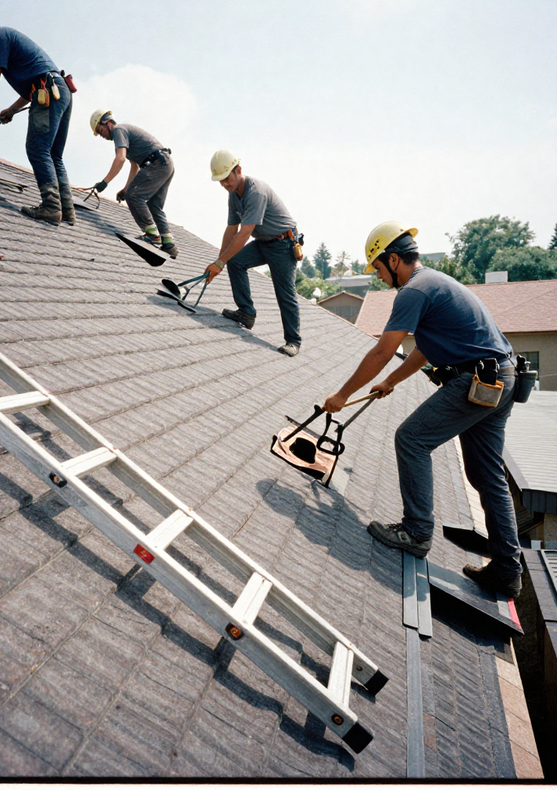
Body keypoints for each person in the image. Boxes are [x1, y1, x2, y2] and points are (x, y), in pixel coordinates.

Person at [323, 221, 522, 598]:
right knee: (486, 474)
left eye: (379, 269)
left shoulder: (413, 291)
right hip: (501, 379)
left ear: (394, 259)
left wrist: (341, 394)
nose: (380, 278)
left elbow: (382, 350)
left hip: (477, 381)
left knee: (411, 439)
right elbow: (427, 349)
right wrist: (391, 382)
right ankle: (507, 571)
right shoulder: (433, 281)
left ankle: (416, 532)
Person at [0, 0, 75, 225]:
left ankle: (51, 207)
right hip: (61, 90)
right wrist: (11, 109)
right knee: (53, 154)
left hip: (48, 90)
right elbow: (35, 84)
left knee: (37, 148)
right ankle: (66, 211)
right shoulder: (9, 37)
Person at [204, 150, 302, 357]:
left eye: (226, 179)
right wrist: (218, 261)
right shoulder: (233, 195)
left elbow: (244, 233)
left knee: (284, 293)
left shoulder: (255, 192)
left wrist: (220, 262)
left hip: (283, 244)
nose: (224, 185)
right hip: (264, 242)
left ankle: (293, 341)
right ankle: (246, 312)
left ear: (238, 170)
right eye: (220, 181)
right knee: (236, 261)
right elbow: (231, 229)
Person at [89, 110, 178, 257]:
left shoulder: (119, 131)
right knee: (153, 205)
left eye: (101, 130)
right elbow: (134, 166)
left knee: (135, 195)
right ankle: (168, 243)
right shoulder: (126, 134)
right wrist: (125, 189)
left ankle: (151, 234)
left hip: (156, 163)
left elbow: (121, 158)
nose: (102, 136)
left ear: (107, 123)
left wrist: (105, 182)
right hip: (165, 164)